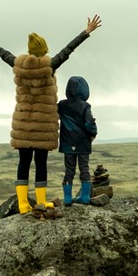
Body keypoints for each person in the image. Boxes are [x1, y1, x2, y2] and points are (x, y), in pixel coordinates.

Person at [0, 16, 102, 213]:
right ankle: (40, 201)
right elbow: (68, 50)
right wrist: (87, 31)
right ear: (44, 51)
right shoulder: (49, 67)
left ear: (30, 51)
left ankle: (22, 204)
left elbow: (1, 53)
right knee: (40, 163)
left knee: (23, 162)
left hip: (23, 123)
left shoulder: (18, 65)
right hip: (42, 127)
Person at [57, 76, 98, 205]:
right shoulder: (85, 106)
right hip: (83, 142)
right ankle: (85, 197)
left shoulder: (62, 105)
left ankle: (67, 199)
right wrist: (93, 134)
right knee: (84, 168)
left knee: (69, 170)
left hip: (67, 142)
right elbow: (89, 122)